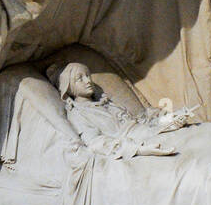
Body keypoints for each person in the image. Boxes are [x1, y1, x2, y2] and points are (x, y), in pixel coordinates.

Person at [48, 61, 198, 158]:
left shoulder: (105, 102)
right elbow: (96, 143)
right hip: (137, 142)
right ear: (69, 88)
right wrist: (137, 149)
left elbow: (140, 120)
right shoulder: (78, 114)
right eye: (80, 78)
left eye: (88, 75)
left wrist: (167, 119)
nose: (88, 81)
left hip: (147, 130)